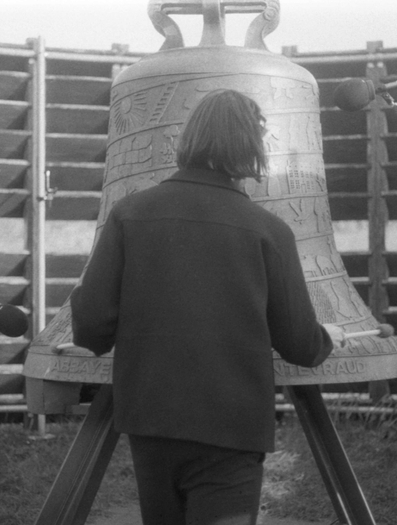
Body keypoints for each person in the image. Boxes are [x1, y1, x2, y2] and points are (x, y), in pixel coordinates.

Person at [70, 89, 344, 525]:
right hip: (231, 427)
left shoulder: (128, 214)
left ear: (189, 139)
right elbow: (299, 345)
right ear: (250, 147)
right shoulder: (269, 231)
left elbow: (90, 328)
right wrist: (328, 339)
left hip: (151, 421)